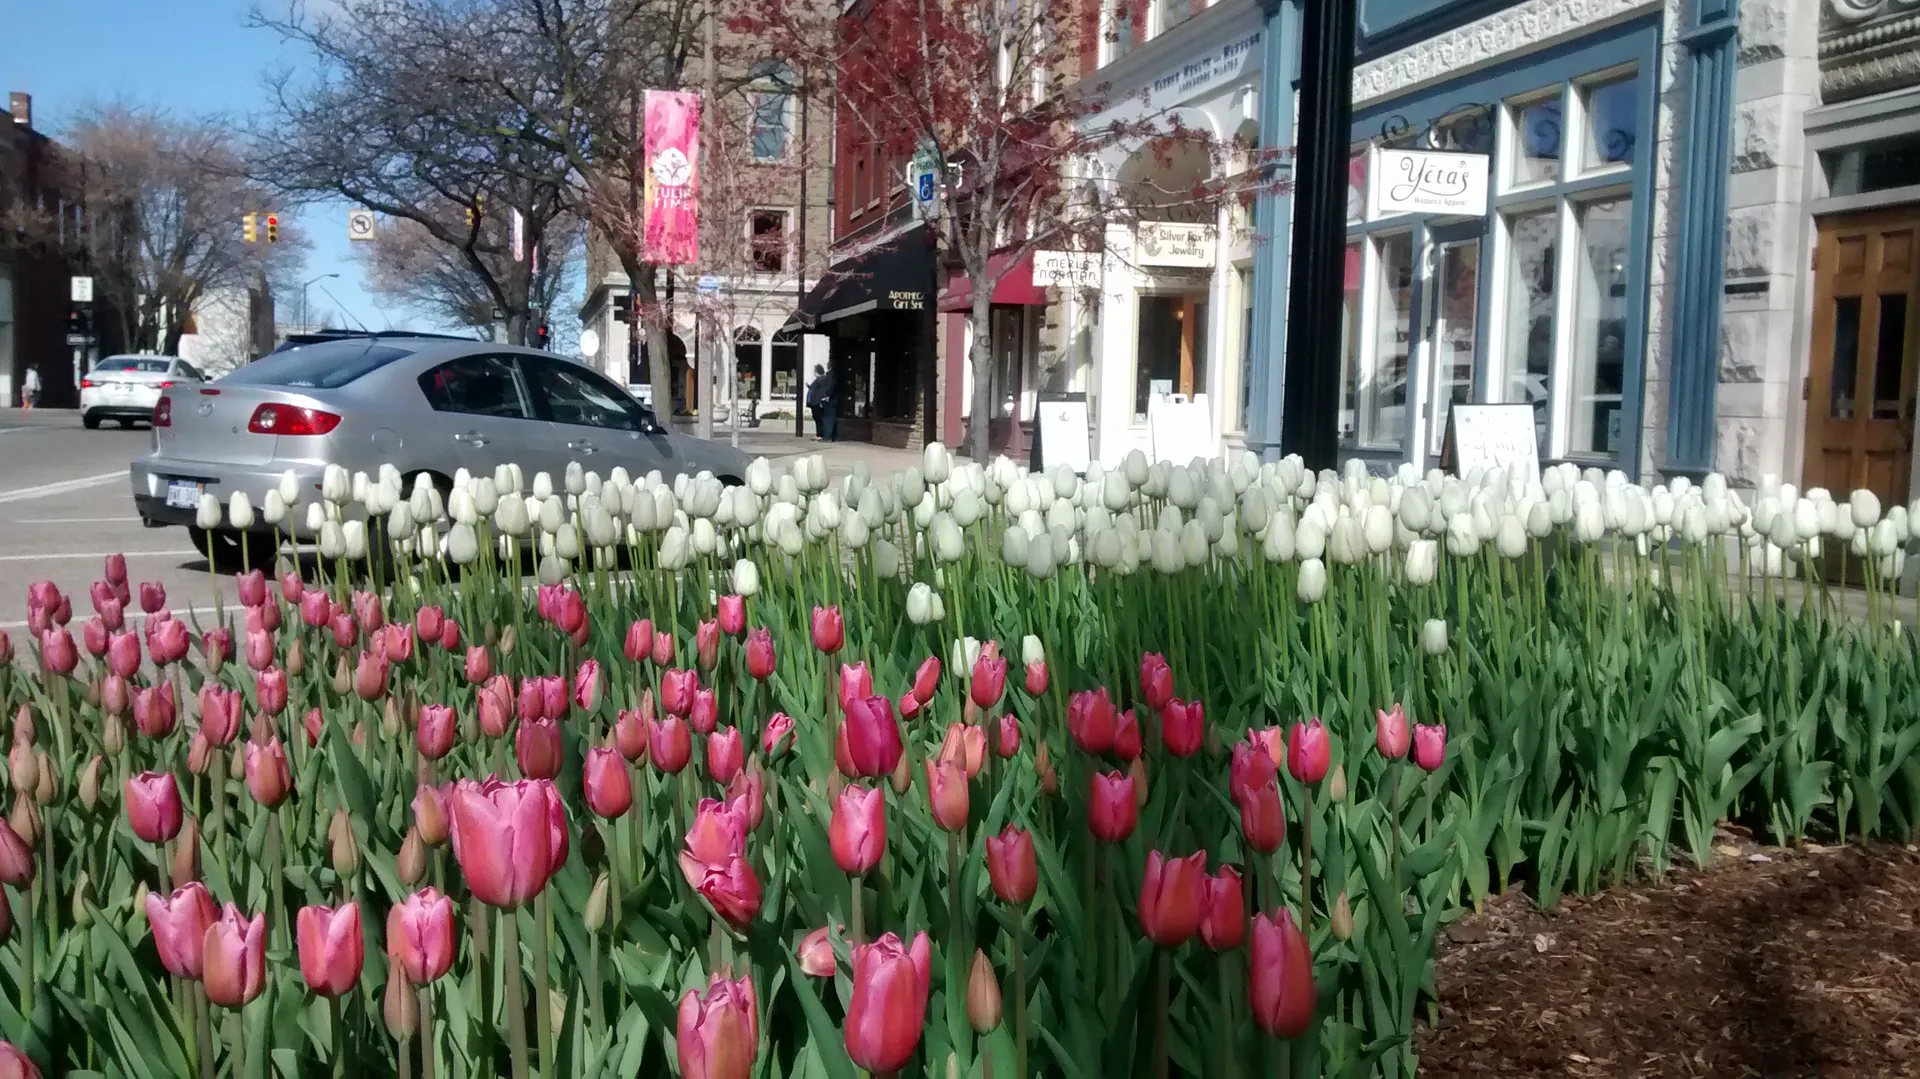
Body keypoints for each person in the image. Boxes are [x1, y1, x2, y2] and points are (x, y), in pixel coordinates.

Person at [805, 364, 835, 442]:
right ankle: (818, 434)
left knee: (818, 419)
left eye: (814, 371)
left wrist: (821, 399)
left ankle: (820, 434)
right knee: (816, 418)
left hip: (817, 402)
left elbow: (821, 390)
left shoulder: (822, 379)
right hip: (814, 402)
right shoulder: (818, 379)